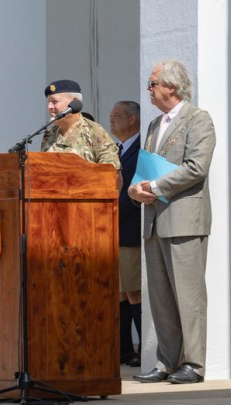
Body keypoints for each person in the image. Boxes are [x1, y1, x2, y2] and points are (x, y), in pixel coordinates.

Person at [129, 60, 215, 384]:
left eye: (152, 84)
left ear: (172, 87)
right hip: (153, 220)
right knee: (161, 296)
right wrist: (136, 189)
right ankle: (167, 361)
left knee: (188, 295)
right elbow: (144, 168)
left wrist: (154, 187)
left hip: (184, 221)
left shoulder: (198, 119)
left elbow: (196, 167)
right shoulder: (153, 125)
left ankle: (193, 364)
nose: (148, 90)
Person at [109, 101, 142, 368]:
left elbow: (134, 194)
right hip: (115, 233)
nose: (112, 120)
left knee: (134, 292)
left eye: (117, 116)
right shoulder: (118, 149)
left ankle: (144, 349)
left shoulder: (141, 148)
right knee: (119, 292)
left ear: (132, 119)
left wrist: (107, 215)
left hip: (130, 231)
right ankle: (122, 350)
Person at [41, 80, 122, 185]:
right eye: (49, 102)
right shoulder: (49, 135)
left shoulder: (94, 132)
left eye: (54, 102)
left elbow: (113, 176)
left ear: (74, 102)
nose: (50, 107)